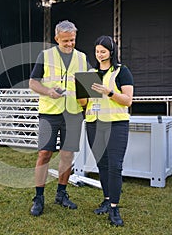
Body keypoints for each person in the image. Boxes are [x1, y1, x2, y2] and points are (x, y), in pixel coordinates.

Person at [29, 20, 90, 216]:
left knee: (67, 155)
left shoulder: (82, 58)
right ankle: (39, 197)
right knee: (44, 154)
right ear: (56, 39)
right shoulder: (45, 56)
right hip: (49, 114)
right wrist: (48, 91)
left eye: (72, 40)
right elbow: (32, 83)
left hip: (73, 114)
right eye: (65, 41)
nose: (70, 44)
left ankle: (61, 194)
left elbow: (90, 85)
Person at [82, 35, 134, 226]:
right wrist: (78, 90)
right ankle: (106, 199)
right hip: (94, 123)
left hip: (116, 124)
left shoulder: (122, 71)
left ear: (111, 52)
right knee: (102, 165)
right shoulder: (90, 73)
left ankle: (114, 208)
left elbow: (128, 100)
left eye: (103, 51)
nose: (99, 54)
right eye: (97, 51)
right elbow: (84, 103)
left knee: (115, 166)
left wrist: (109, 92)